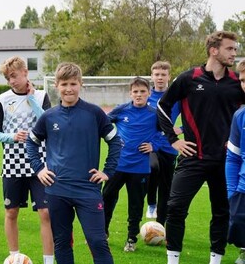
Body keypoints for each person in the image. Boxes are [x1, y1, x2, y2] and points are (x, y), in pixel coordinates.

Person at [157, 31, 245, 264]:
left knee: (222, 212)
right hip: (192, 157)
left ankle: (215, 261)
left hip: (226, 161)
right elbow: (163, 106)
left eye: (235, 49)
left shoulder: (237, 83)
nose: (234, 53)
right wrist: (173, 139)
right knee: (175, 208)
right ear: (213, 50)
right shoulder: (189, 78)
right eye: (229, 49)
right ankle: (173, 260)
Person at [26, 62, 121, 264]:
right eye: (64, 84)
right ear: (56, 86)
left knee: (97, 242)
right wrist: (39, 169)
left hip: (88, 189)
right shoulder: (49, 116)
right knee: (61, 243)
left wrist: (107, 171)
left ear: (81, 84)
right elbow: (31, 142)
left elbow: (115, 141)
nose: (68, 89)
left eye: (73, 84)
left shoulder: (94, 113)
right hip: (56, 189)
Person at [0, 56, 53, 263]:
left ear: (25, 72)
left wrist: (32, 99)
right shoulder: (2, 100)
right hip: (12, 164)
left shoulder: (41, 96)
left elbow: (48, 123)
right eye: (8, 78)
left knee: (45, 213)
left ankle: (48, 261)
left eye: (14, 76)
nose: (11, 81)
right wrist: (12, 137)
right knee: (11, 212)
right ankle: (14, 258)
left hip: (39, 164)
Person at [102, 77, 159, 252]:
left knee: (135, 205)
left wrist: (154, 145)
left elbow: (166, 134)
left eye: (142, 91)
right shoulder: (121, 110)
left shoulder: (155, 113)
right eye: (135, 91)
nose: (139, 95)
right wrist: (113, 139)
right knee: (106, 198)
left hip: (140, 168)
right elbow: (103, 124)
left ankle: (131, 239)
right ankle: (103, 233)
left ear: (149, 93)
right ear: (130, 93)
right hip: (117, 165)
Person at [146, 60, 179, 223]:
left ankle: (160, 226)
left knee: (166, 188)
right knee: (153, 167)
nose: (160, 78)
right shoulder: (146, 96)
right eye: (157, 74)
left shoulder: (176, 98)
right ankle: (151, 203)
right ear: (152, 76)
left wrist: (181, 129)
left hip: (169, 146)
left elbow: (193, 116)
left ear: (169, 76)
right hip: (150, 145)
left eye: (163, 75)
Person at [224, 60, 245, 264]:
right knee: (237, 225)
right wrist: (232, 191)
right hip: (242, 188)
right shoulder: (240, 116)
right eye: (243, 80)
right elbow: (233, 157)